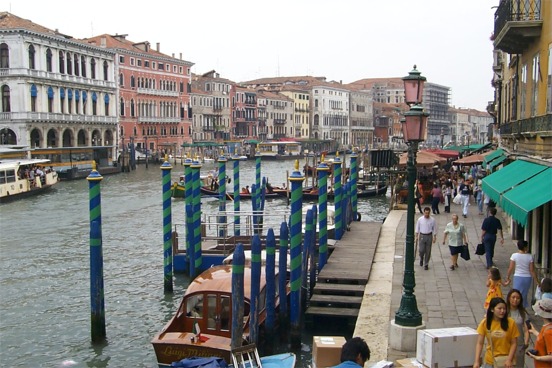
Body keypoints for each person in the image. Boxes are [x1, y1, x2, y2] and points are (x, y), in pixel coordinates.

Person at [473, 297, 519, 368]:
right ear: (492, 309)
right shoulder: (485, 323)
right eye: (499, 308)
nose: (502, 311)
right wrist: (476, 361)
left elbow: (514, 343)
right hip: (490, 360)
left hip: (506, 362)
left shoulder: (511, 323)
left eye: (504, 309)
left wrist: (509, 359)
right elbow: (480, 343)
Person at [505, 240, 540, 308]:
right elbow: (532, 270)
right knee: (524, 294)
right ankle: (522, 308)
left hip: (518, 277)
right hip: (527, 278)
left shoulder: (514, 255)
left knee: (515, 294)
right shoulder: (530, 257)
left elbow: (511, 268)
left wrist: (508, 277)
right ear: (525, 247)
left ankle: (516, 307)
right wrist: (537, 281)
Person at [506, 289, 530, 368]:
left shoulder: (522, 313)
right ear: (509, 298)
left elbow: (526, 330)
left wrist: (526, 342)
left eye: (518, 298)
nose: (515, 300)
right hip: (506, 344)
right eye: (513, 297)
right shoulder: (504, 311)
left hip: (519, 345)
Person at [526, 298, 552, 367]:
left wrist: (536, 357)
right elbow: (544, 339)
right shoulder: (547, 327)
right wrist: (534, 331)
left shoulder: (548, 332)